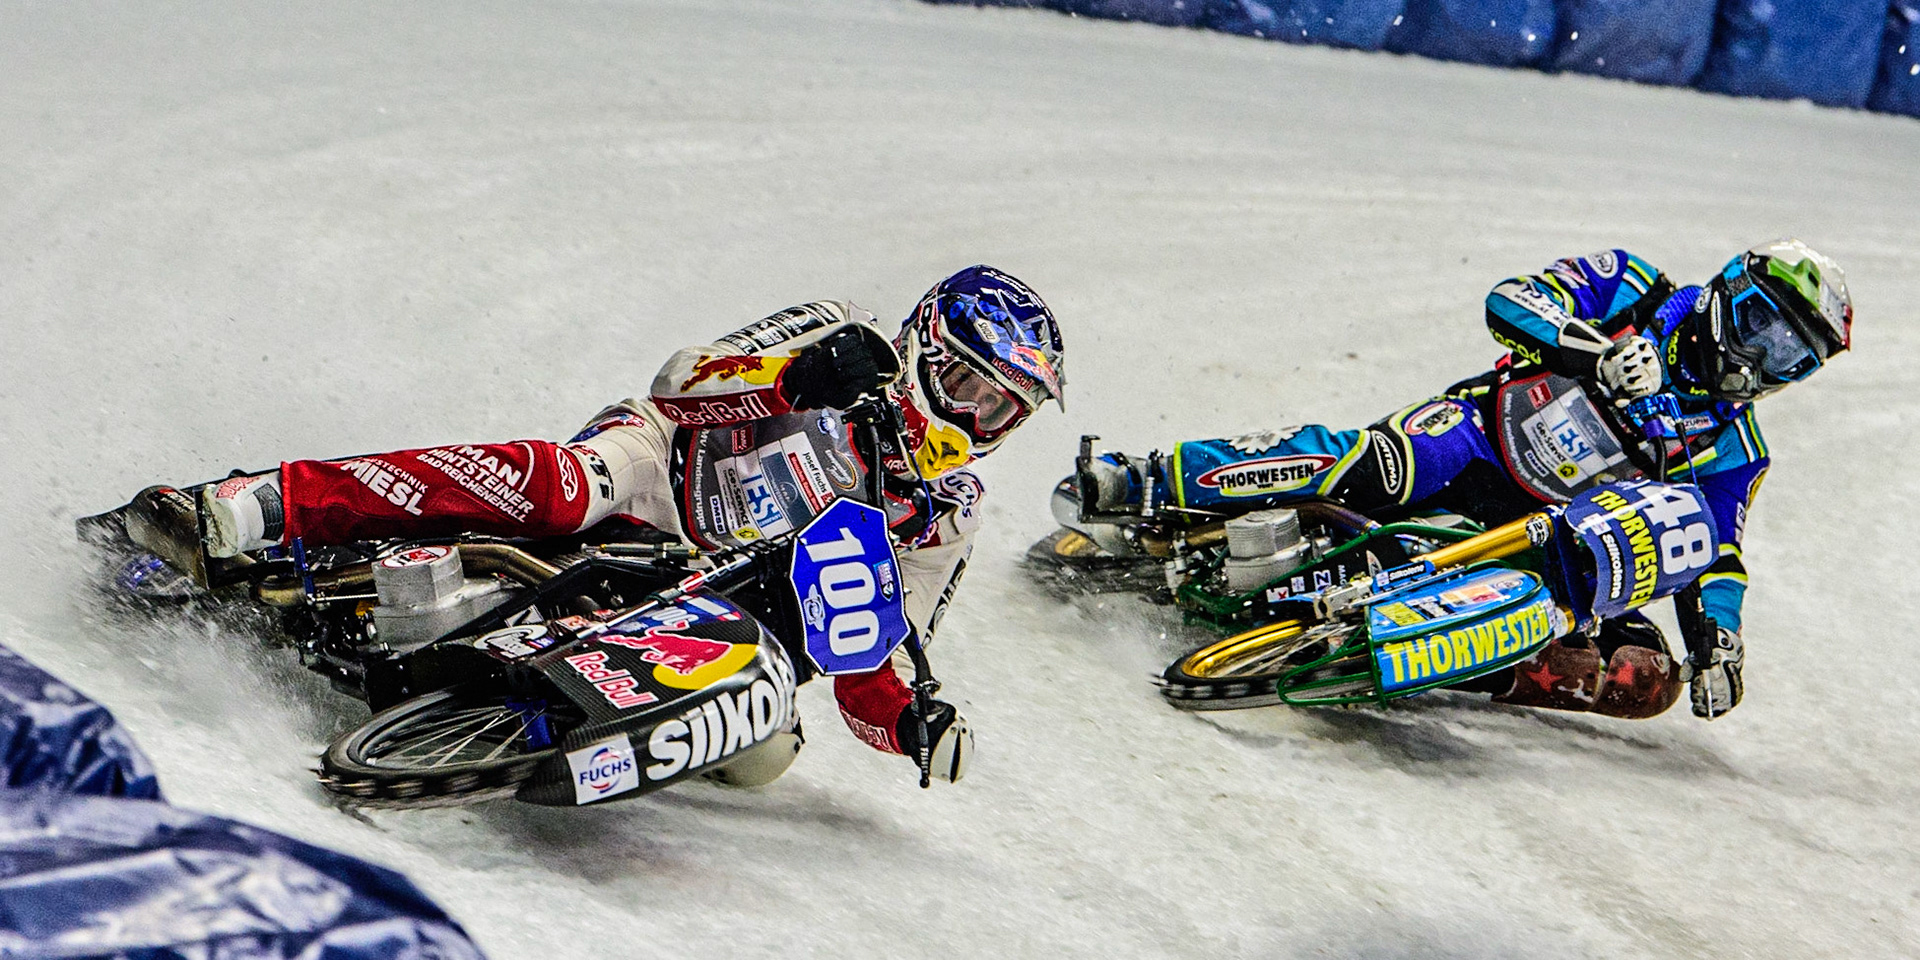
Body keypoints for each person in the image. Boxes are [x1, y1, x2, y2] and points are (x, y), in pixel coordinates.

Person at [119, 265, 1065, 783]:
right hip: (658, 467)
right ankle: (261, 503)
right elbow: (683, 378)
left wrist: (910, 723)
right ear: (928, 346)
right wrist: (796, 380)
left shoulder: (948, 511)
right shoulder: (847, 331)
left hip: (717, 586)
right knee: (567, 486)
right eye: (972, 386)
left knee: (764, 755)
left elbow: (866, 648)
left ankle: (529, 711)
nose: (978, 420)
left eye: (1004, 410)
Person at [1064, 240, 1849, 720]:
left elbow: (1715, 553)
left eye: (1790, 355)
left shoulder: (1735, 447)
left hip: (1545, 539)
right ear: (1726, 293)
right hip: (1476, 438)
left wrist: (1719, 644)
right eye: (1760, 325)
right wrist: (1592, 355)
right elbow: (1512, 298)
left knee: (1644, 677)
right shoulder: (1636, 288)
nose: (1759, 357)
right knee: (1371, 464)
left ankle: (1438, 660)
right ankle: (1148, 479)